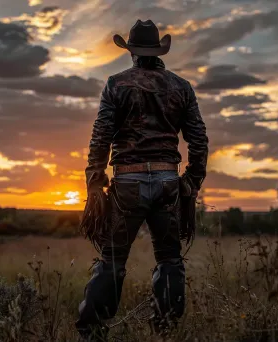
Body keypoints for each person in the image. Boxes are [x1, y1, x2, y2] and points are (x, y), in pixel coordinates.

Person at [76, 19, 209, 341]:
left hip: (127, 184)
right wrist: (191, 181)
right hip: (167, 182)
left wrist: (95, 181)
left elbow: (101, 137)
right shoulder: (181, 86)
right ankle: (164, 332)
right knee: (170, 258)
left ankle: (91, 333)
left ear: (131, 52)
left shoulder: (116, 84)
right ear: (158, 51)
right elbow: (198, 140)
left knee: (111, 259)